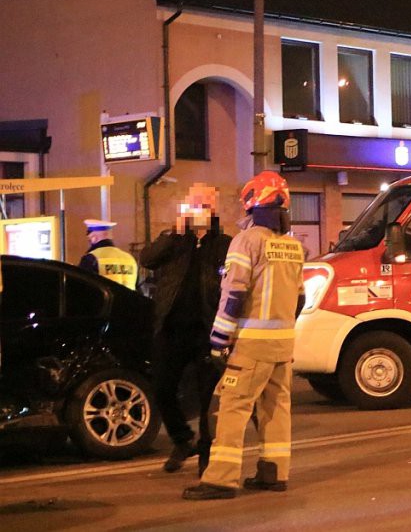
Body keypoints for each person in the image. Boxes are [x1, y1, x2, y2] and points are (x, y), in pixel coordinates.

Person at [183, 171, 305, 500]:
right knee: (276, 408)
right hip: (283, 344)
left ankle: (221, 479)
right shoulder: (293, 246)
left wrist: (219, 341)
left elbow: (234, 295)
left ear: (254, 203)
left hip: (251, 345)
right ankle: (274, 473)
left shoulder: (247, 241)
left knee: (231, 408)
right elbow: (300, 298)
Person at [139, 183, 231, 475]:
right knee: (162, 387)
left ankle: (206, 453)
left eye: (205, 204)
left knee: (207, 397)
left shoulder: (225, 243)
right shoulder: (175, 240)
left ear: (213, 209)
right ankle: (181, 438)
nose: (199, 209)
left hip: (207, 330)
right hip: (171, 329)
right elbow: (148, 259)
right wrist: (176, 229)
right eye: (194, 203)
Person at [79, 219, 138, 289]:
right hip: (128, 299)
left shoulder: (91, 258)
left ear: (94, 238)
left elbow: (83, 287)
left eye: (89, 239)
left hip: (107, 300)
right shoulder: (129, 258)